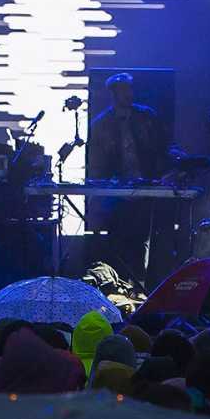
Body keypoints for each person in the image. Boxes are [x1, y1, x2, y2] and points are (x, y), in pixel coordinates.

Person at [86, 73, 169, 286]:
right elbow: (96, 161)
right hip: (117, 191)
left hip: (146, 187)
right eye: (123, 90)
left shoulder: (147, 117)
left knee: (143, 239)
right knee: (118, 239)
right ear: (113, 93)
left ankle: (141, 285)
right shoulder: (101, 124)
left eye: (130, 89)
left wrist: (164, 174)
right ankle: (120, 284)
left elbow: (162, 149)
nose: (128, 94)